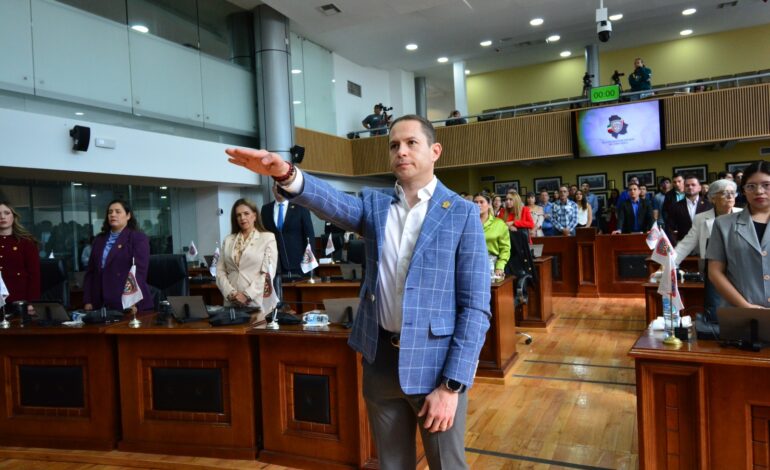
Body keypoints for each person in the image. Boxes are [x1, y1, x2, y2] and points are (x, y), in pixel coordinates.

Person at [226, 114, 491, 469]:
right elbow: (332, 201)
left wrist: (452, 386)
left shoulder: (461, 213)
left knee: (448, 466)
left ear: (435, 151)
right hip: (381, 361)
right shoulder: (375, 205)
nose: (401, 151)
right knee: (391, 464)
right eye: (394, 145)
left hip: (436, 366)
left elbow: (475, 309)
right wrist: (286, 174)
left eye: (411, 143)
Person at [675, 179, 741, 320]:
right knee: (715, 312)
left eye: (733, 193)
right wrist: (670, 262)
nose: (730, 196)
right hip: (715, 271)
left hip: (741, 270)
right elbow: (687, 243)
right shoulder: (701, 219)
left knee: (741, 310)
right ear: (713, 198)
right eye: (724, 193)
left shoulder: (744, 215)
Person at [707, 161, 770, 308]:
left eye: (766, 185)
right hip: (741, 312)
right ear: (743, 190)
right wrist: (746, 307)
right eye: (751, 186)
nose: (759, 191)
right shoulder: (723, 224)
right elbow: (715, 272)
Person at [83, 200, 153, 312]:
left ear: (128, 215)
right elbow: (91, 272)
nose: (113, 215)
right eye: (110, 212)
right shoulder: (99, 240)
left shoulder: (137, 238)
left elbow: (139, 273)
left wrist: (132, 300)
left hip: (127, 301)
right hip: (100, 302)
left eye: (118, 211)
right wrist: (88, 300)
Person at [216, 199, 278, 322]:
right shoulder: (228, 240)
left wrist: (247, 295)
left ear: (254, 215)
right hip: (231, 303)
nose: (242, 218)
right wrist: (230, 293)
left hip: (257, 302)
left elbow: (268, 274)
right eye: (238, 215)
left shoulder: (267, 238)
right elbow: (220, 271)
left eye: (246, 213)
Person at [261, 182, 315, 278]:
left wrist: (309, 265)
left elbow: (309, 235)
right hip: (274, 264)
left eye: (282, 186)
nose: (280, 189)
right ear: (273, 189)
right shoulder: (265, 209)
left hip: (298, 264)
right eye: (277, 186)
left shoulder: (301, 207)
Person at [0, 201, 40, 304]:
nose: (2, 217)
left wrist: (32, 302)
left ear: (14, 216)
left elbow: (34, 275)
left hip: (19, 298)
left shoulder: (26, 242)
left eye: (7, 213)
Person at [666, 174, 713, 246]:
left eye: (693, 185)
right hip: (683, 246)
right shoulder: (675, 207)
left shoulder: (709, 205)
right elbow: (669, 228)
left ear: (699, 188)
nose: (690, 187)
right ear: (684, 188)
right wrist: (675, 245)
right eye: (687, 185)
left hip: (705, 246)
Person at [475, 193, 511, 277]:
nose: (478, 205)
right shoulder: (468, 223)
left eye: (481, 202)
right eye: (475, 202)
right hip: (473, 262)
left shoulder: (499, 223)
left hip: (492, 264)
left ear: (488, 205)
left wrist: (500, 266)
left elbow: (505, 248)